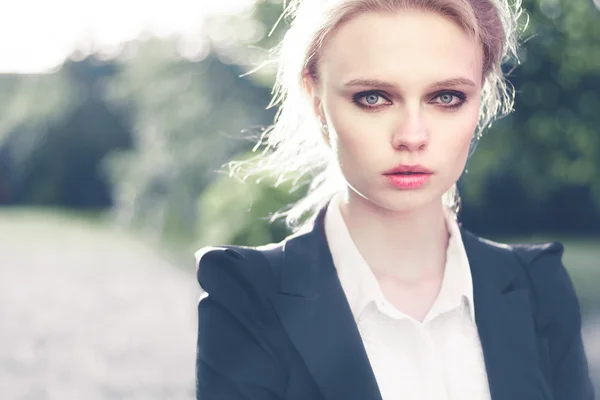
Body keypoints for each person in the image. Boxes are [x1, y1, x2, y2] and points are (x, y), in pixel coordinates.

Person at [194, 0, 595, 399]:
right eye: (373, 97)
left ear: (482, 98)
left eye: (446, 97)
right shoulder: (245, 294)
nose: (411, 135)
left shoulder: (539, 285)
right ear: (315, 98)